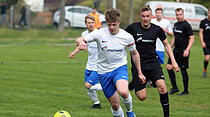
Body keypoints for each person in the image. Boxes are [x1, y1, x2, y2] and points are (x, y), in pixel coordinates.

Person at [76, 8, 145, 117]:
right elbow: (80, 39)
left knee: (123, 92)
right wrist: (81, 42)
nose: (111, 27)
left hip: (119, 68)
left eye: (114, 24)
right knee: (115, 105)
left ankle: (129, 111)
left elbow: (135, 54)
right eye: (109, 25)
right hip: (103, 72)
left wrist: (140, 73)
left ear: (119, 22)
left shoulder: (127, 37)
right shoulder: (99, 33)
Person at [126, 6, 179, 117]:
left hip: (153, 63)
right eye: (143, 16)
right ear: (140, 17)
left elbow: (166, 44)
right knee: (142, 97)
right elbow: (120, 37)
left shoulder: (157, 29)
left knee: (162, 87)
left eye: (148, 16)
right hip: (138, 65)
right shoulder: (133, 28)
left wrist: (173, 61)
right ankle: (134, 83)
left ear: (151, 17)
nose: (145, 19)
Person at [69, 15, 102, 109]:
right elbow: (81, 44)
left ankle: (112, 87)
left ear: (95, 23)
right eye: (89, 23)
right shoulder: (84, 34)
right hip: (89, 65)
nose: (91, 25)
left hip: (98, 65)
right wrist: (74, 52)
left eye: (92, 23)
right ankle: (97, 104)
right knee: (88, 87)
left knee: (89, 85)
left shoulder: (99, 33)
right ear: (86, 24)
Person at [166, 8, 194, 95]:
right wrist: (170, 48)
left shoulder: (186, 25)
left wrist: (187, 50)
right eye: (177, 15)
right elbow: (174, 37)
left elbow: (192, 38)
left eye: (180, 14)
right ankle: (175, 88)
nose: (178, 16)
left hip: (183, 51)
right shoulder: (176, 25)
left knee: (183, 70)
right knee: (168, 67)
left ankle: (186, 91)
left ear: (183, 14)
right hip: (176, 50)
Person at [199, 8, 210, 78]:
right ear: (207, 13)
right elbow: (200, 32)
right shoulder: (203, 22)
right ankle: (205, 70)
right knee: (207, 58)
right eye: (209, 13)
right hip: (206, 43)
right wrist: (202, 41)